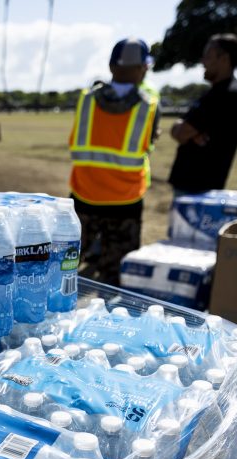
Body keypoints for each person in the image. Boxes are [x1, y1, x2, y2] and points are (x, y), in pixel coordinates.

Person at [67, 38, 160, 286]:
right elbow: (148, 144)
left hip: (84, 195)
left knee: (65, 269)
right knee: (115, 276)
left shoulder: (86, 100)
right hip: (125, 200)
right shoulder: (148, 105)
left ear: (111, 66)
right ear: (142, 68)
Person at [168, 34, 237, 195]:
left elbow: (182, 133)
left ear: (224, 59)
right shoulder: (215, 93)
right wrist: (184, 129)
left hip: (198, 187)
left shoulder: (225, 94)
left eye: (208, 56)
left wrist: (181, 129)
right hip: (192, 185)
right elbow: (183, 129)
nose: (203, 62)